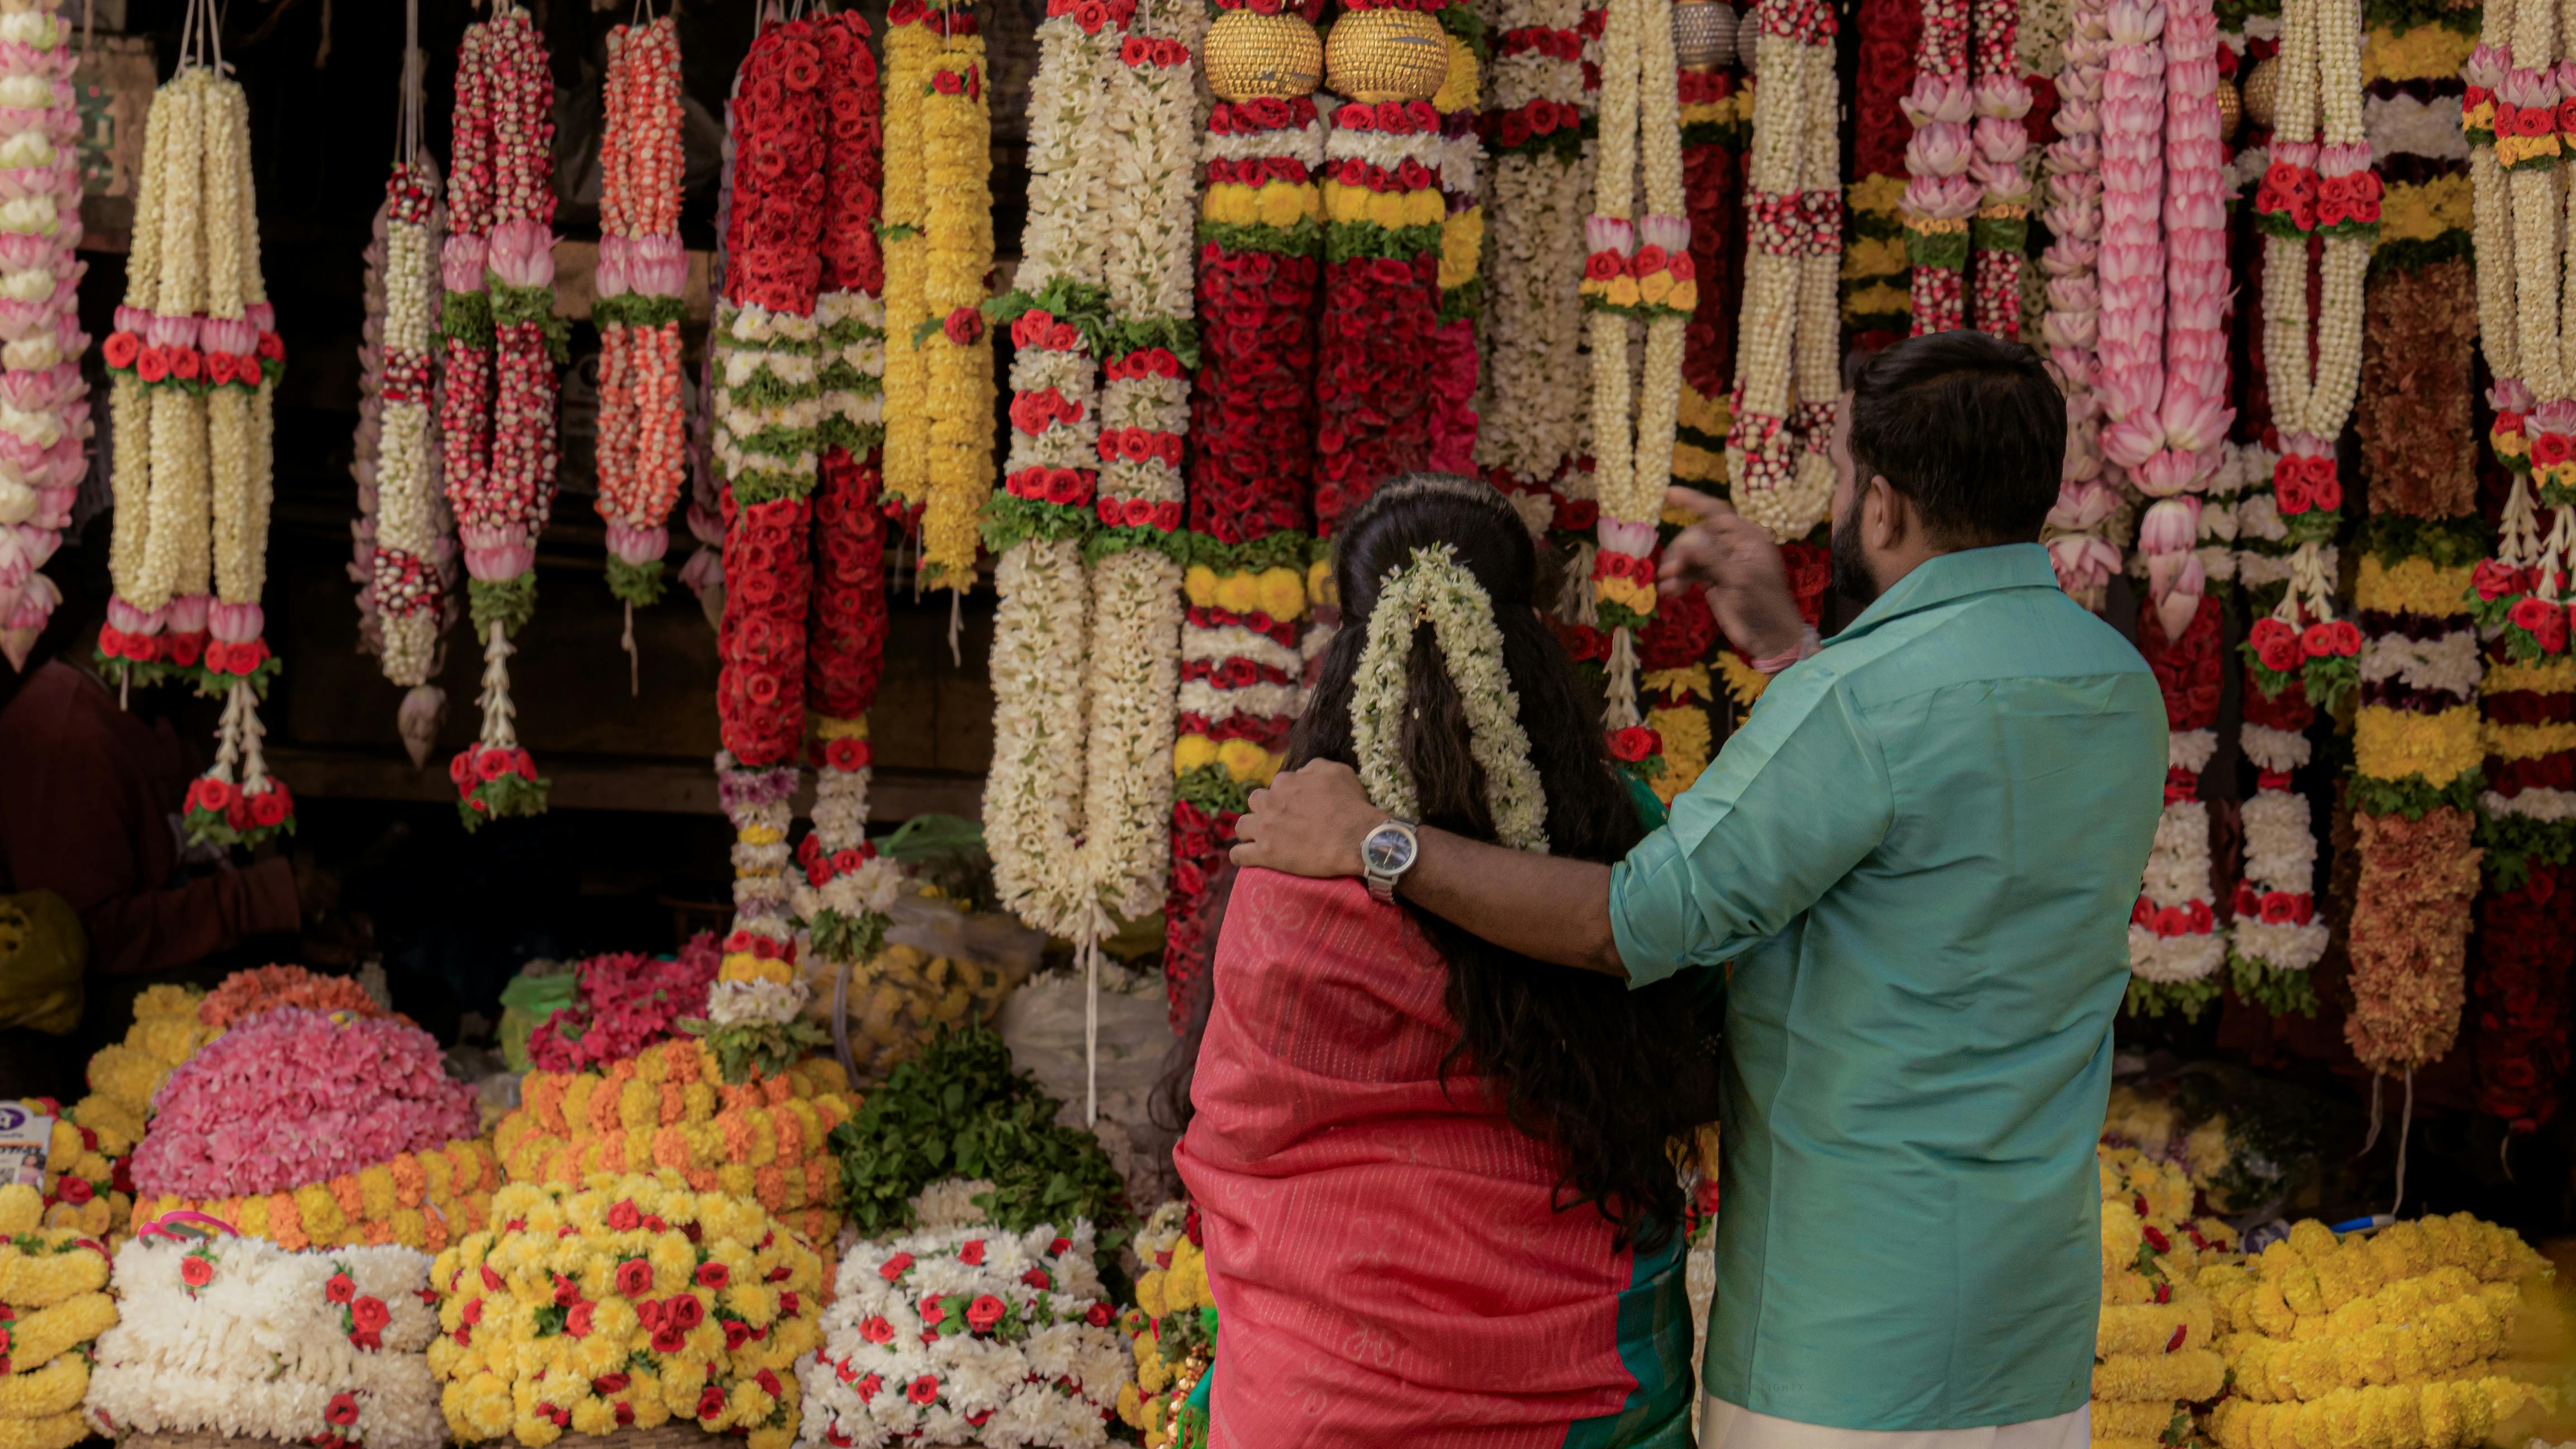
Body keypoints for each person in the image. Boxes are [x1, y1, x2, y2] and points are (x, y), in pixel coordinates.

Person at [1233, 330, 2168, 1449]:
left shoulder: (1855, 704)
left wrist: (1378, 844)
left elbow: (1626, 924)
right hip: (2030, 1318)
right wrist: (1787, 647)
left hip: (1851, 1341)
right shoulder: (2110, 680)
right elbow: (1934, 805)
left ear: (1881, 508)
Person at [1172, 473, 1721, 1449]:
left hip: (1323, 1381)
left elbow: (1238, 1119)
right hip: (1583, 1372)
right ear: (1531, 639)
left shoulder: (1284, 856)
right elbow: (1706, 1029)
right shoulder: (1615, 839)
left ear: (1345, 646)